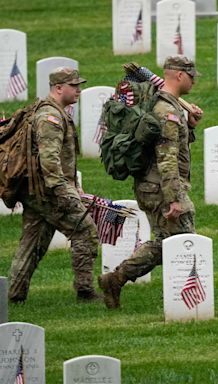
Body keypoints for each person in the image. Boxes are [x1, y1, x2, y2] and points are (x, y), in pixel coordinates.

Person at [98, 56, 203, 309]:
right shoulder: (165, 110)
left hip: (156, 185)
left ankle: (116, 279)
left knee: (169, 242)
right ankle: (117, 278)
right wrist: (174, 199)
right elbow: (166, 158)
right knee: (182, 240)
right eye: (191, 76)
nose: (194, 81)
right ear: (178, 75)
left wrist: (190, 125)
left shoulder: (171, 106)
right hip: (159, 187)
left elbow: (177, 146)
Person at [9, 67, 100, 303]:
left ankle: (14, 295)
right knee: (85, 231)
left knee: (32, 243)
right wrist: (65, 192)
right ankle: (85, 291)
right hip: (49, 192)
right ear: (59, 88)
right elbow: (49, 162)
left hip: (37, 190)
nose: (79, 90)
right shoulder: (50, 117)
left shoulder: (52, 111)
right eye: (74, 85)